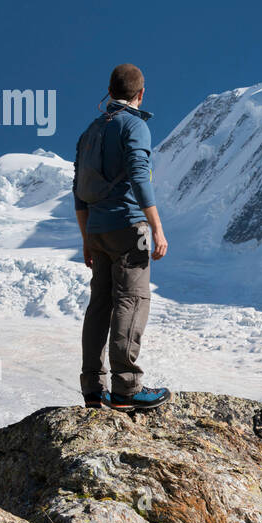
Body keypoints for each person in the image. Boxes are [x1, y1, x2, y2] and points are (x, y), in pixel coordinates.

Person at [72, 63, 171, 411]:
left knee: (100, 304)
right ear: (140, 94)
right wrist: (156, 226)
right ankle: (126, 389)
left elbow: (78, 191)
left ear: (109, 91)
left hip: (96, 231)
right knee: (132, 299)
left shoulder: (89, 133)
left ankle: (93, 389)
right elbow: (139, 176)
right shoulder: (135, 126)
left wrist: (86, 238)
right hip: (130, 228)